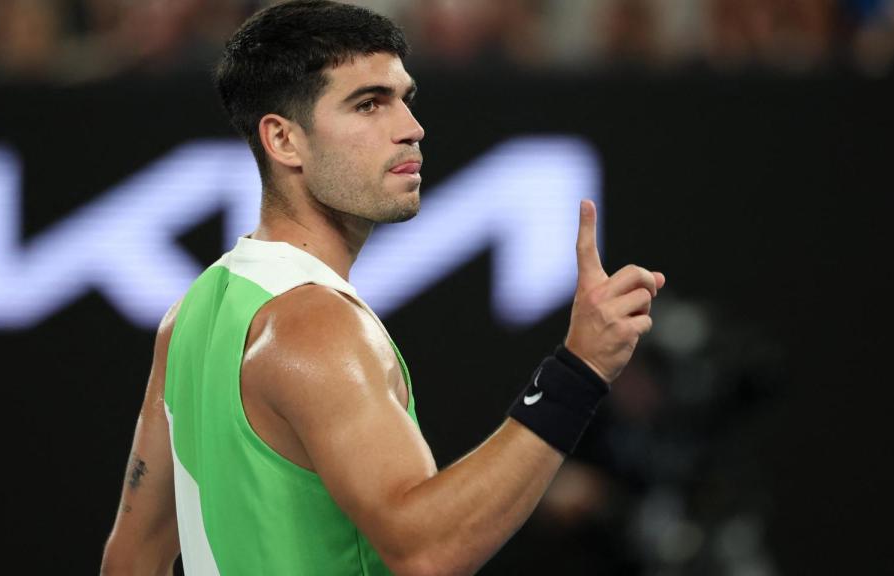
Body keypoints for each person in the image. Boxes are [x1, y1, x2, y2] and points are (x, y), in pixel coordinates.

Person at [100, 1, 665, 575]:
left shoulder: (191, 314)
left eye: (404, 99)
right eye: (368, 104)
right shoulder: (316, 327)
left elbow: (131, 558)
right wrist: (580, 369)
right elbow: (428, 551)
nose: (411, 129)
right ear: (284, 141)